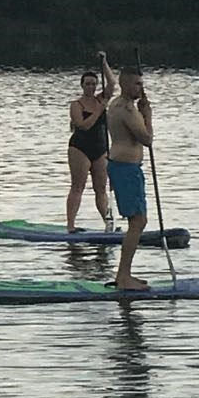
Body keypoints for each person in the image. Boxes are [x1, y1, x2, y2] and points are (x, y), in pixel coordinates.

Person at [106, 68, 154, 291]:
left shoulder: (116, 104)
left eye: (141, 83)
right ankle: (123, 276)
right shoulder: (126, 109)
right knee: (138, 221)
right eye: (136, 84)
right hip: (126, 169)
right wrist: (147, 115)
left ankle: (124, 274)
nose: (140, 88)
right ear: (124, 84)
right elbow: (146, 139)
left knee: (137, 221)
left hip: (122, 166)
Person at [67, 53, 116, 230]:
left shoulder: (101, 99)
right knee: (78, 186)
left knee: (101, 188)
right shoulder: (76, 105)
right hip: (80, 148)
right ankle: (70, 225)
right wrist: (99, 110)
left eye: (94, 84)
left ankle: (108, 224)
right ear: (82, 85)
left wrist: (104, 63)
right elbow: (83, 126)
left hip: (100, 148)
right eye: (87, 84)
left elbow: (112, 84)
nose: (91, 87)